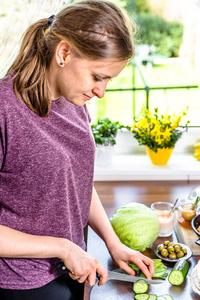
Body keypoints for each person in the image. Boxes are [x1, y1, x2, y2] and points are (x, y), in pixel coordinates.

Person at [0, 1, 154, 299]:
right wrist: (62, 247)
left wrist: (112, 242)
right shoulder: (5, 110)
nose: (101, 91)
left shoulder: (74, 102)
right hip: (19, 283)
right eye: (98, 76)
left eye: (109, 79)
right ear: (64, 53)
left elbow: (76, 182)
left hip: (73, 268)